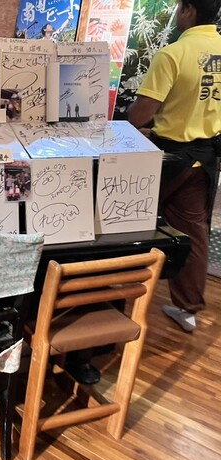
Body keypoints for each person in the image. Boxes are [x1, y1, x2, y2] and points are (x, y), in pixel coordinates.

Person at [128, 0, 221, 332]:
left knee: (126, 219)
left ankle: (112, 293)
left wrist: (134, 123)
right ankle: (188, 308)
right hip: (205, 160)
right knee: (193, 231)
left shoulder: (174, 54)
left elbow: (141, 114)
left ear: (189, 10)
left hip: (168, 159)